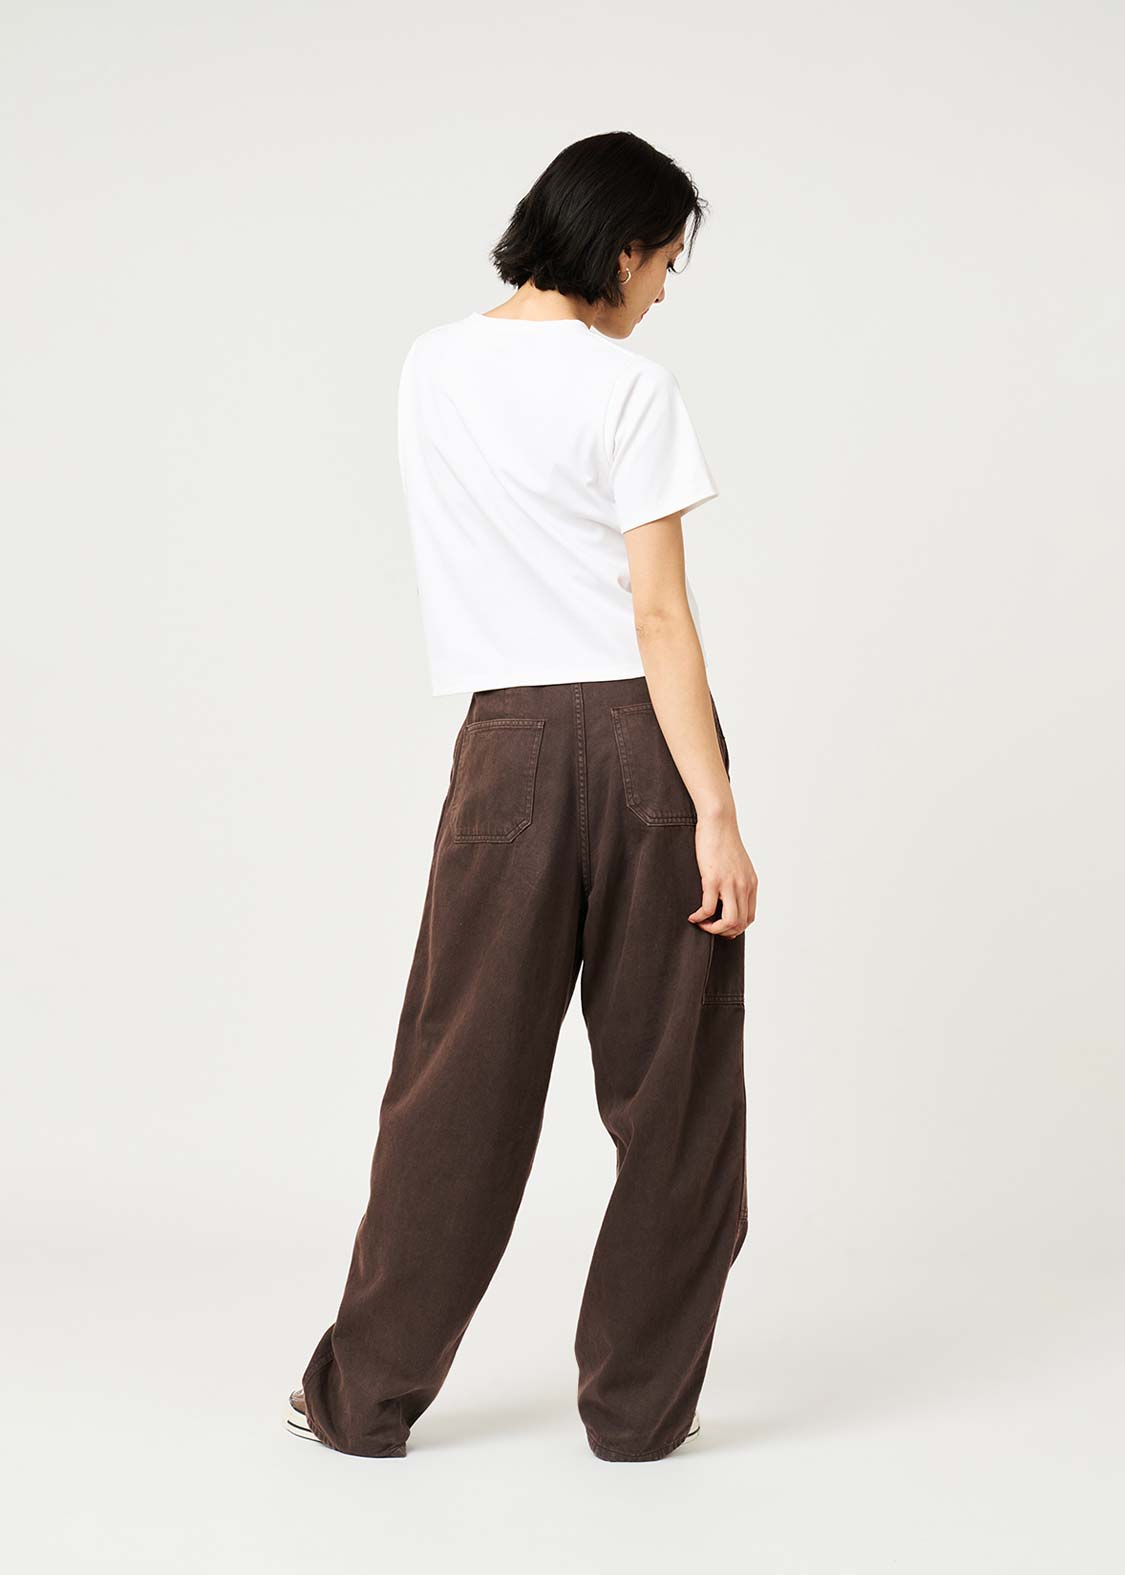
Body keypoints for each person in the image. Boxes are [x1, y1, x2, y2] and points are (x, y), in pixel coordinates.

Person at [286, 129, 758, 1463]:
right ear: (621, 245)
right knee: (673, 1099)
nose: (661, 292)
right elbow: (657, 618)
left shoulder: (431, 365)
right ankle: (636, 1416)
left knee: (457, 1083)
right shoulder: (630, 387)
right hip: (642, 746)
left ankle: (362, 1400)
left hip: (504, 749)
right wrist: (717, 815)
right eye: (664, 263)